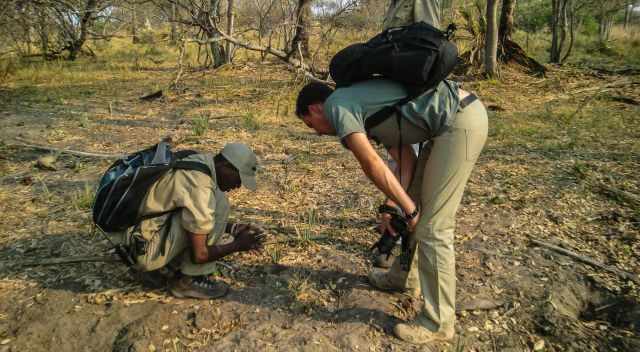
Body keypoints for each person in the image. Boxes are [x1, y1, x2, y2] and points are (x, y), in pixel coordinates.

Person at [295, 79, 488, 344]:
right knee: (415, 208)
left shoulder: (337, 106)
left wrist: (408, 210)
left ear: (315, 108)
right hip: (449, 122)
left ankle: (438, 323)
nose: (316, 132)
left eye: (309, 123)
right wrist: (394, 206)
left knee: (433, 227)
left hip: (458, 121)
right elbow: (405, 159)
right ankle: (403, 277)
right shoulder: (362, 105)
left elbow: (371, 163)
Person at [117, 143, 264, 299]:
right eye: (239, 178)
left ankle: (170, 267)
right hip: (141, 249)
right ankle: (190, 280)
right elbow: (200, 255)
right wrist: (238, 245)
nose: (238, 185)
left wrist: (232, 228)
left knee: (216, 205)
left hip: (136, 233)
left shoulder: (202, 161)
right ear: (225, 165)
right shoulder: (201, 188)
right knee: (217, 207)